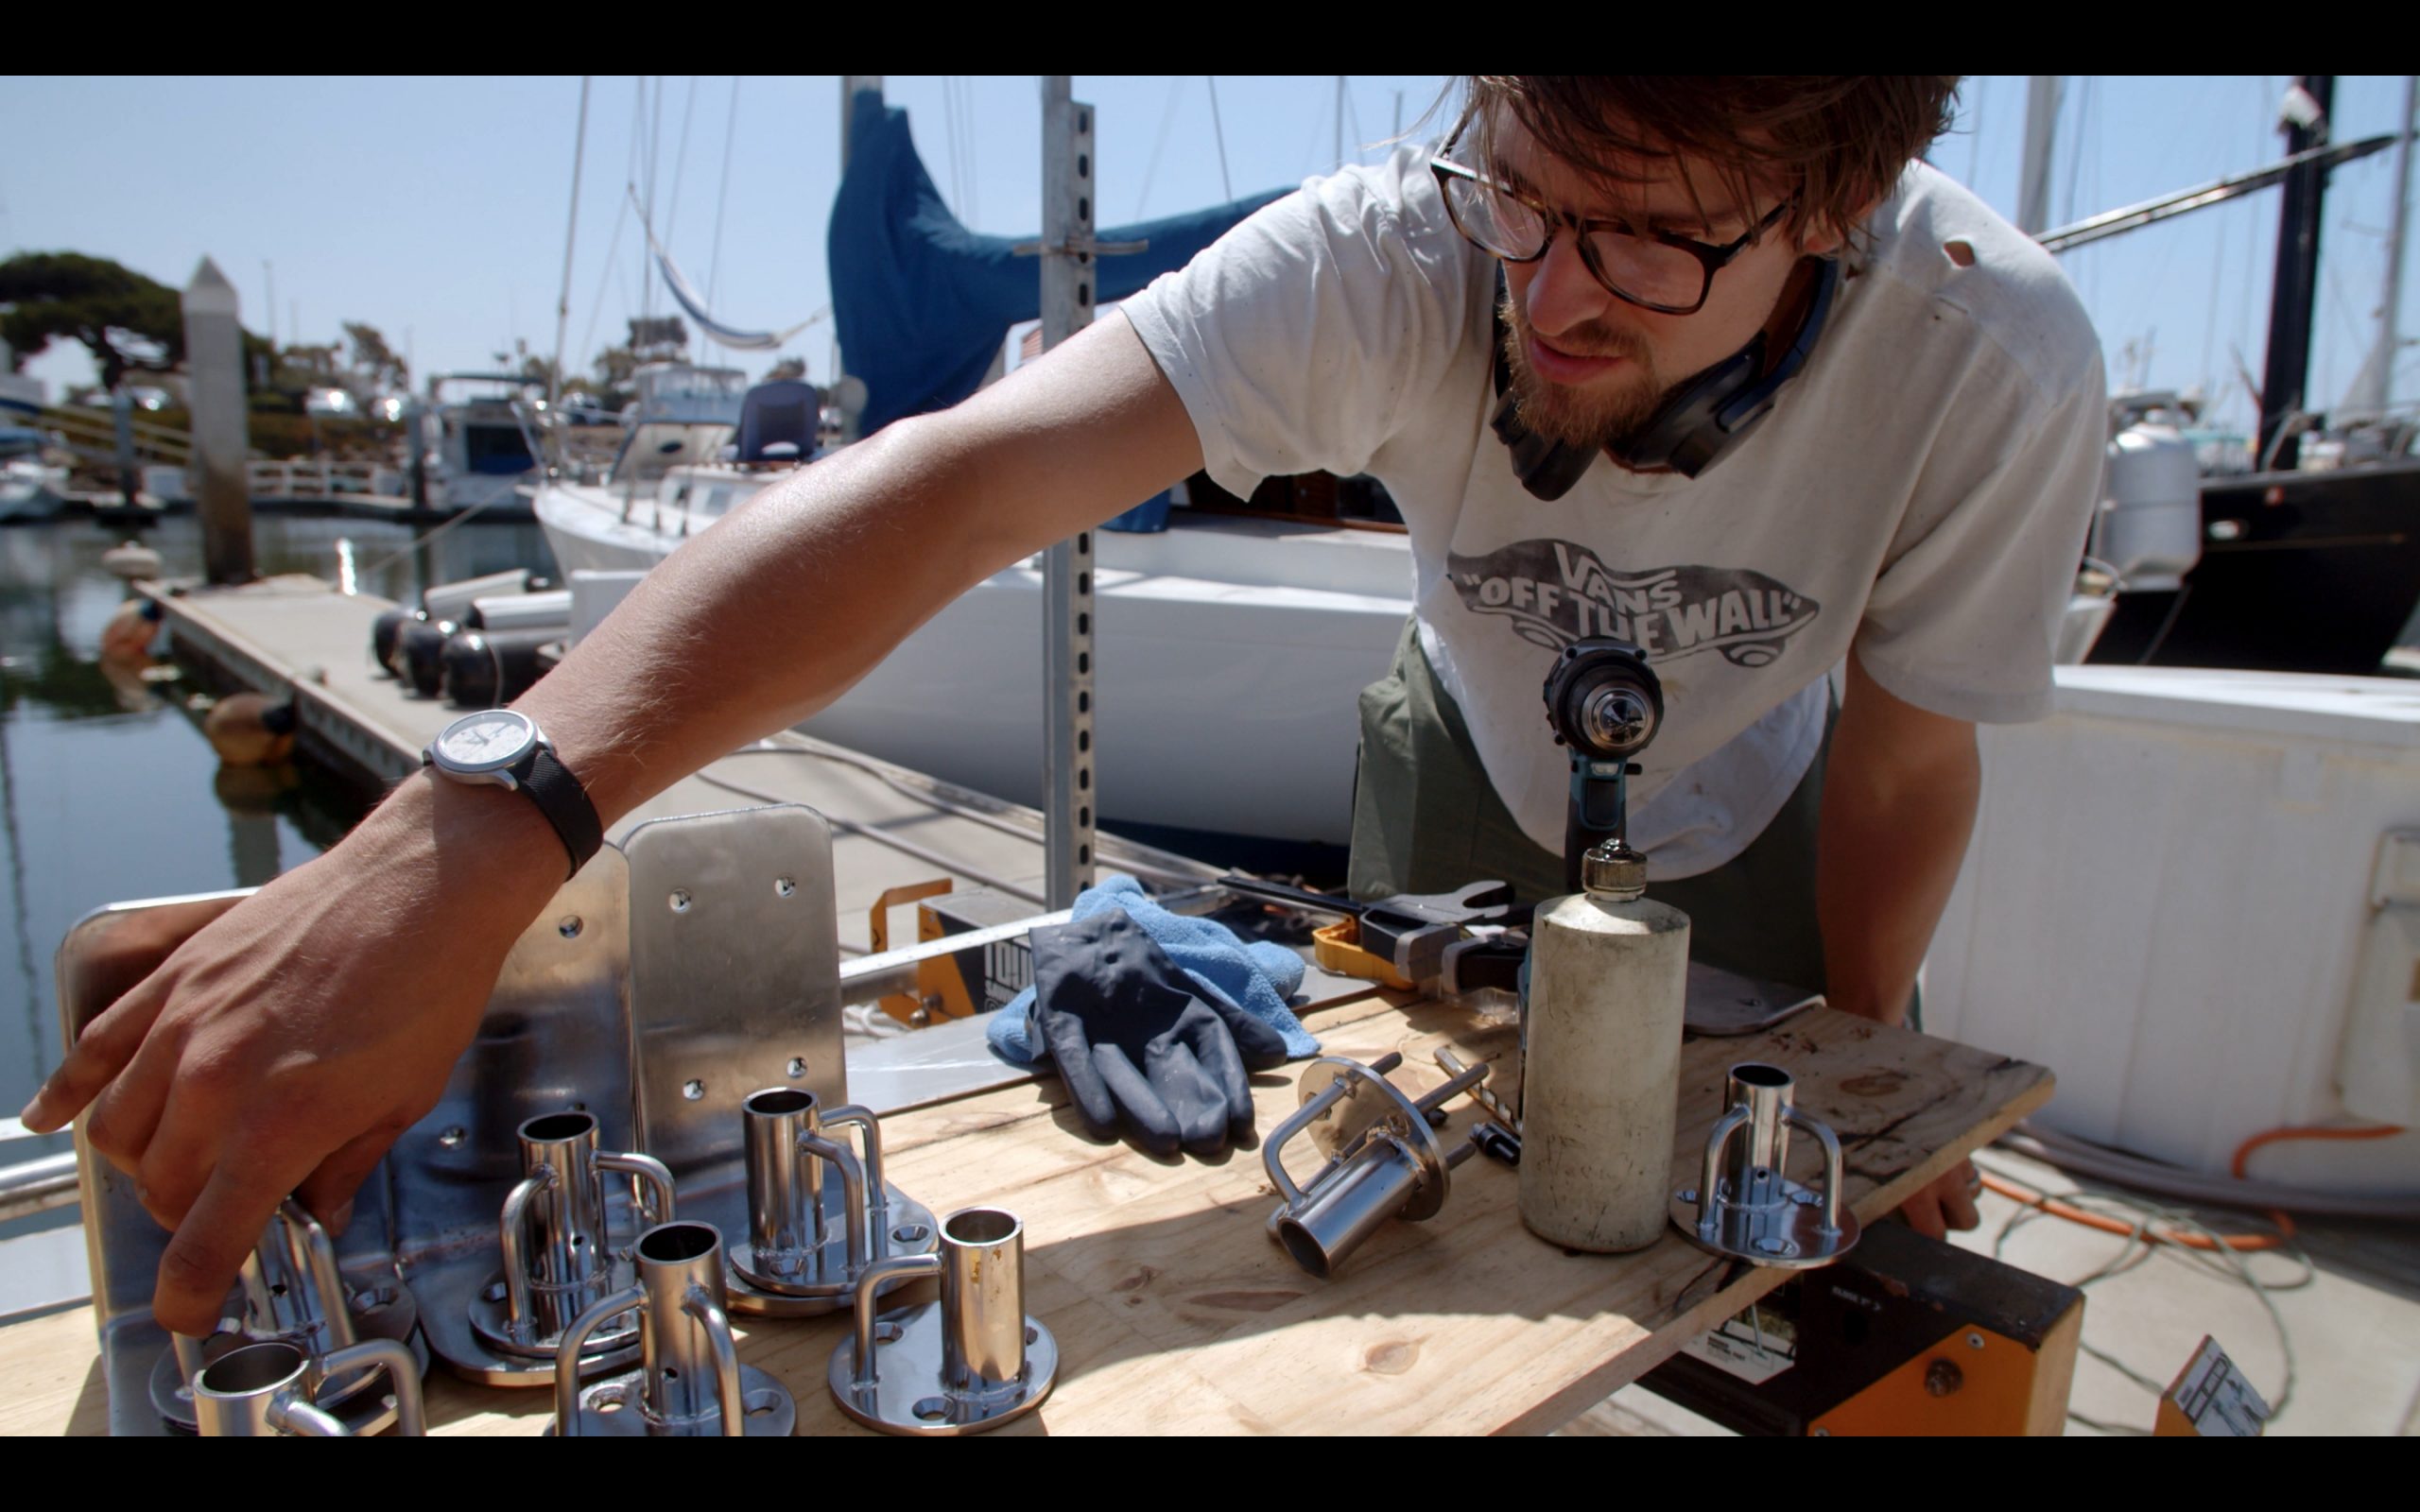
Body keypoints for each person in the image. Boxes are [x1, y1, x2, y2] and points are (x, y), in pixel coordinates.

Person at [24, 77, 2101, 1336]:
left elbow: (1908, 746)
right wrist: (470, 825)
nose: (1550, 296)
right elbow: (944, 487)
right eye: (1532, 191)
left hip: (1763, 807)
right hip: (1453, 742)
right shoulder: (1391, 252)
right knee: (1438, 1233)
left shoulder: (1988, 360)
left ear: (1832, 211)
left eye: (1650, 246)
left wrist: (1862, 1054)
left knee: (1752, 1279)